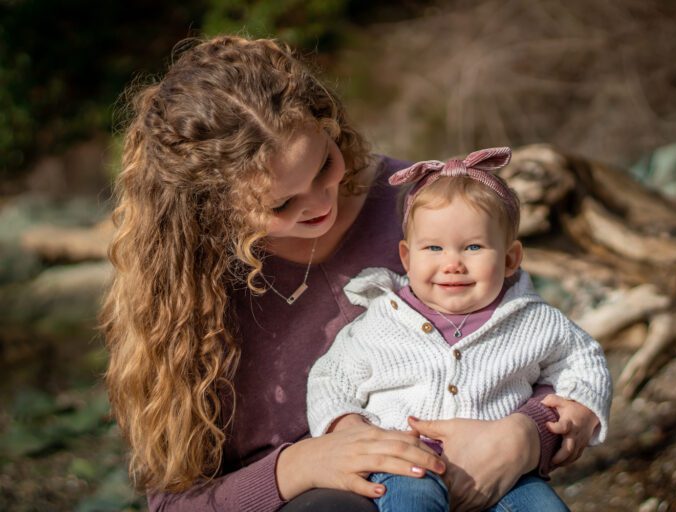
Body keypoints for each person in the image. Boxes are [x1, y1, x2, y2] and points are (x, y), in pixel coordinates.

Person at [101, 35, 602, 512]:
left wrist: (525, 434)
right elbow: (173, 502)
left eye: (324, 166)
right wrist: (297, 466)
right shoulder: (186, 296)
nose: (321, 204)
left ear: (330, 124)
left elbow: (524, 338)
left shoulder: (422, 202)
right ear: (212, 208)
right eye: (281, 204)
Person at [306, 147, 612, 511]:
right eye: (434, 247)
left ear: (511, 258)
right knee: (413, 503)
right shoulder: (381, 319)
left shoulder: (531, 320)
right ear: (407, 256)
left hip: (504, 472)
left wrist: (581, 408)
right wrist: (347, 425)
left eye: (473, 247)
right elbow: (330, 377)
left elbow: (585, 359)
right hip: (405, 465)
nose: (452, 264)